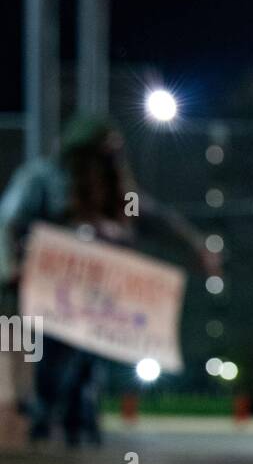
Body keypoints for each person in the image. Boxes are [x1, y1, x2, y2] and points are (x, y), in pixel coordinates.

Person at [0, 115, 208, 446]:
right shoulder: (41, 178)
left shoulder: (119, 189)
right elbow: (10, 221)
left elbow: (157, 218)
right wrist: (12, 264)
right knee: (52, 357)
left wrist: (197, 247)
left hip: (99, 296)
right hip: (52, 291)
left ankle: (78, 417)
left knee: (89, 357)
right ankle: (44, 417)